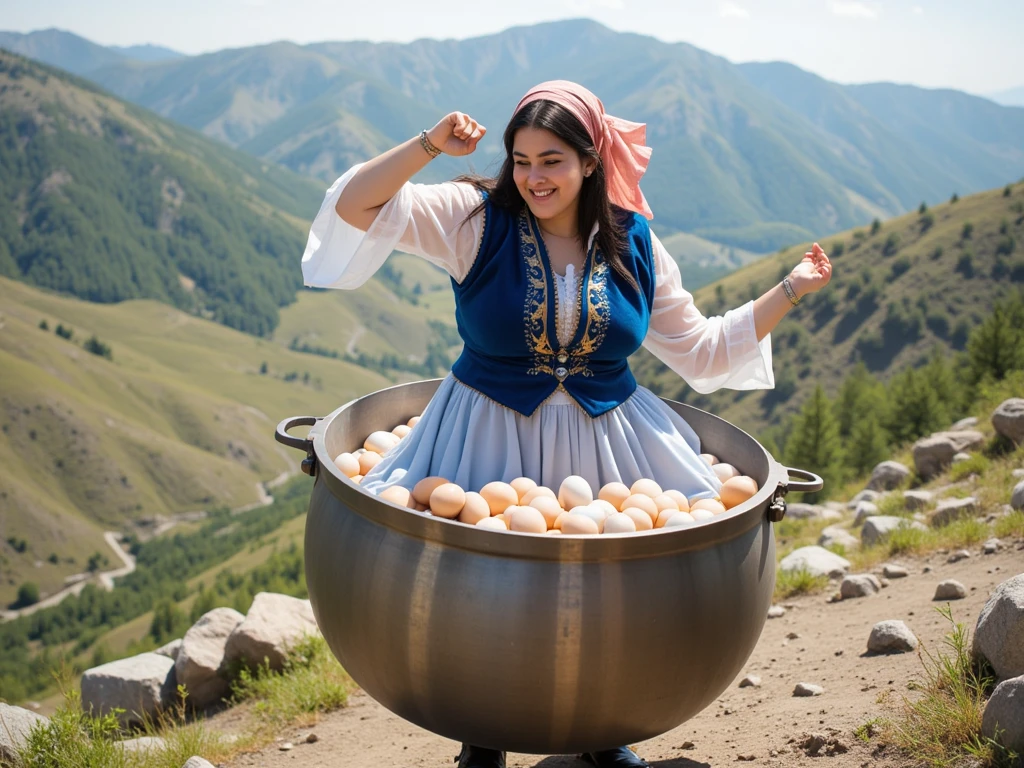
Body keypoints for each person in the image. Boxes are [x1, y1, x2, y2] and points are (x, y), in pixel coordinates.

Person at [301, 80, 832, 768]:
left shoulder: (635, 241)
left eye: (551, 160)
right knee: (480, 581)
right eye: (520, 160)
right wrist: (429, 144)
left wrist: (790, 288)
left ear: (589, 160)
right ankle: (480, 730)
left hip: (606, 442)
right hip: (484, 431)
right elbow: (354, 205)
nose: (532, 177)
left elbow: (702, 349)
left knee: (607, 587)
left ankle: (601, 727)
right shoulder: (474, 219)